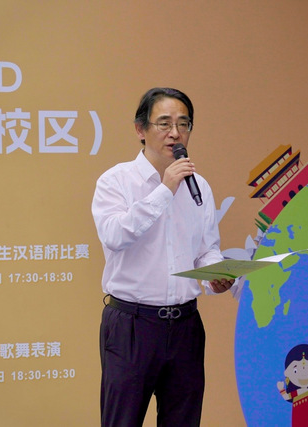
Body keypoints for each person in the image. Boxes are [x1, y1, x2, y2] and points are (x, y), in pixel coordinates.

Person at [91, 87, 235, 426]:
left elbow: (205, 249)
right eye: (165, 123)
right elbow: (115, 236)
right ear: (140, 130)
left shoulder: (199, 185)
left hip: (185, 326)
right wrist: (165, 189)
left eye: (183, 124)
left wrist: (216, 274)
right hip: (132, 326)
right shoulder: (115, 181)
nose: (175, 133)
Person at [276, 343, 308, 426]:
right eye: (295, 371)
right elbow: (286, 397)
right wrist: (281, 389)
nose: (303, 375)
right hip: (298, 417)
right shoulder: (296, 393)